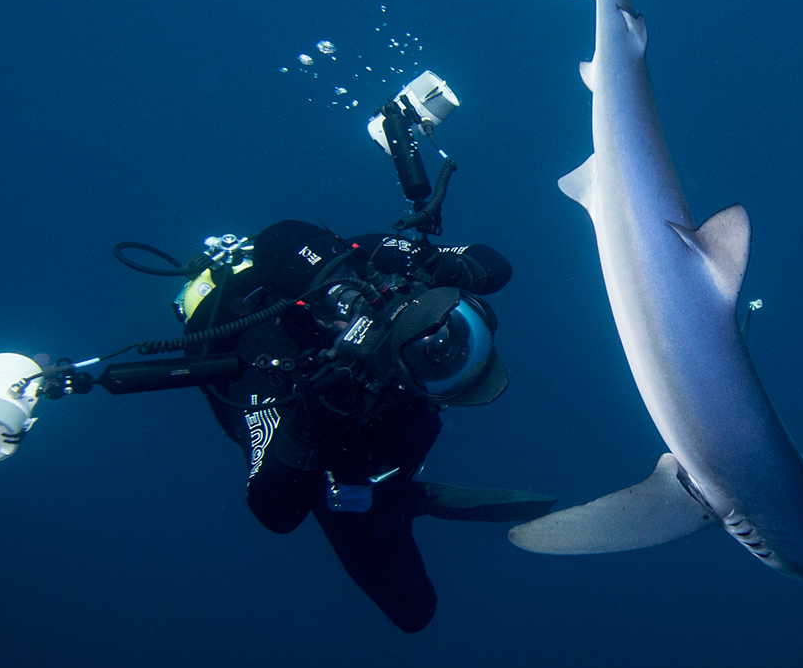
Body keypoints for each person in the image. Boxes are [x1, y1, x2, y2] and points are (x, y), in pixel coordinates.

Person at [178, 219, 553, 632]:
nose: (352, 297)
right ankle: (397, 499)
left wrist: (449, 269)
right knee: (414, 611)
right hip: (342, 473)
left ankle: (396, 485)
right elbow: (273, 511)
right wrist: (310, 417)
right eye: (327, 297)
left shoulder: (371, 255)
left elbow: (492, 264)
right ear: (292, 309)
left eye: (348, 275)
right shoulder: (263, 361)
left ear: (348, 252)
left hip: (407, 411)